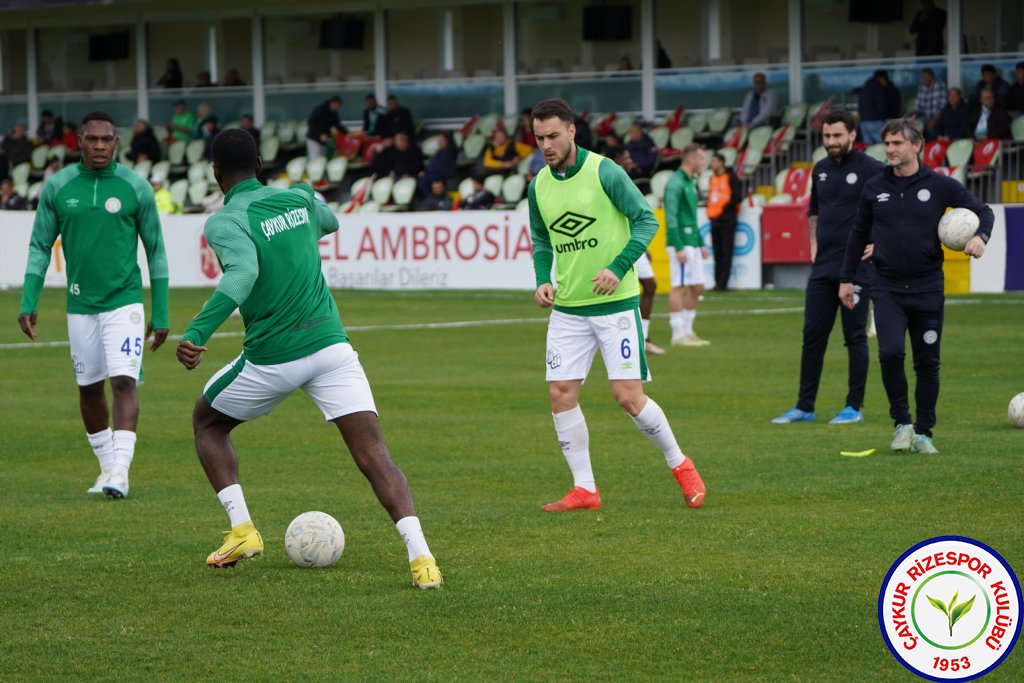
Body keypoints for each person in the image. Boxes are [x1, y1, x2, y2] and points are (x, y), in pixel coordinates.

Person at [174, 129, 442, 588]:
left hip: (273, 358)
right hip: (332, 350)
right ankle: (423, 562)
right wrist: (305, 200)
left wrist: (197, 332)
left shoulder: (224, 221)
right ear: (260, 164)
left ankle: (242, 530)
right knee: (374, 453)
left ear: (216, 173)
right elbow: (330, 220)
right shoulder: (296, 199)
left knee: (207, 423)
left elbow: (243, 273)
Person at [527, 97, 705, 512]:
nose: (547, 145)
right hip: (569, 309)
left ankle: (680, 464)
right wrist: (541, 280)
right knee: (560, 394)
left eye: (553, 135)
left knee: (628, 396)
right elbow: (541, 239)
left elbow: (646, 220)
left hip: (616, 305)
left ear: (572, 131)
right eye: (539, 138)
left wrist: (618, 266)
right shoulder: (539, 185)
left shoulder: (604, 170)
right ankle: (585, 488)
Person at [17, 110, 170, 498]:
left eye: (106, 139)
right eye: (92, 139)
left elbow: (156, 251)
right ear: (79, 142)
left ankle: (121, 470)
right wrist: (28, 299)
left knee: (122, 381)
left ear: (116, 143)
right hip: (80, 304)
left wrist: (162, 311)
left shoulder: (135, 187)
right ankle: (106, 470)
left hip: (124, 302)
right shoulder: (58, 187)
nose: (99, 146)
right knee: (88, 389)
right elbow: (39, 246)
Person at [839, 118, 993, 454]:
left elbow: (983, 212)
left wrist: (981, 237)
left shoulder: (940, 186)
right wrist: (847, 278)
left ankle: (924, 433)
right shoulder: (874, 187)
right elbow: (857, 234)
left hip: (927, 288)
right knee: (890, 353)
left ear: (916, 146)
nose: (890, 150)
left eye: (897, 144)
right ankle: (902, 424)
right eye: (888, 144)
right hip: (887, 287)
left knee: (927, 363)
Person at [772, 109, 884, 426]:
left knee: (855, 338)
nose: (831, 142)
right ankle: (804, 407)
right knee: (812, 336)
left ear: (852, 135)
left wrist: (880, 243)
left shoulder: (871, 169)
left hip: (858, 268)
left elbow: (891, 207)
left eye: (837, 135)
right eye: (826, 136)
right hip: (823, 267)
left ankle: (854, 407)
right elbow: (814, 211)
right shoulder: (819, 170)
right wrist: (812, 245)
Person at [663, 143, 710, 346]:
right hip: (680, 241)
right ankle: (677, 335)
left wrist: (701, 243)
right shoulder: (675, 183)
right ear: (690, 159)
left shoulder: (691, 182)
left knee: (698, 287)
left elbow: (691, 216)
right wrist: (678, 245)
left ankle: (688, 330)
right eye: (701, 158)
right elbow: (671, 216)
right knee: (678, 286)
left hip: (692, 240)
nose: (704, 161)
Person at [706, 152, 742, 292]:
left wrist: (724, 210)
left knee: (726, 251)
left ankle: (723, 283)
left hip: (727, 220)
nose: (712, 164)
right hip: (714, 219)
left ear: (721, 162)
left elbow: (737, 198)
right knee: (717, 252)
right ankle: (717, 282)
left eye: (714, 161)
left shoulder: (731, 177)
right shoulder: (712, 178)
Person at [858, 70, 901, 145]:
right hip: (875, 121)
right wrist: (886, 117)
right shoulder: (877, 87)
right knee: (883, 145)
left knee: (868, 147)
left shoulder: (865, 87)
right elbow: (881, 105)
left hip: (863, 122)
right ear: (882, 78)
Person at [417, 131, 457, 197]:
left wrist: (448, 134)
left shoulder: (450, 150)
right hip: (431, 174)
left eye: (441, 140)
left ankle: (429, 199)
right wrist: (425, 172)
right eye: (439, 140)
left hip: (442, 174)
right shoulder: (439, 152)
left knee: (423, 183)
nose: (439, 142)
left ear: (447, 141)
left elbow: (452, 142)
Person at [913, 68, 946, 138]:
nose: (922, 79)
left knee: (932, 129)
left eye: (924, 77)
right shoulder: (921, 87)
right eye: (922, 77)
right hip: (925, 117)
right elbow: (917, 106)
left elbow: (941, 107)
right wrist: (910, 118)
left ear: (931, 77)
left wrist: (933, 120)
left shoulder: (939, 85)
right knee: (913, 129)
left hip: (938, 118)